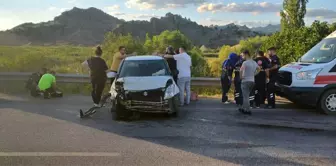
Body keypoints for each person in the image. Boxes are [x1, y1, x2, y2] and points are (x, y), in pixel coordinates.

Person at [239, 50, 260, 115]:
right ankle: (243, 108)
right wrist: (254, 74)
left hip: (245, 81)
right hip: (252, 81)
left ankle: (247, 110)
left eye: (243, 55)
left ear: (246, 54)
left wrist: (241, 77)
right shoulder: (254, 62)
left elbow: (241, 70)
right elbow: (259, 68)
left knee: (245, 97)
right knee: (247, 95)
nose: (242, 57)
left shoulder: (245, 63)